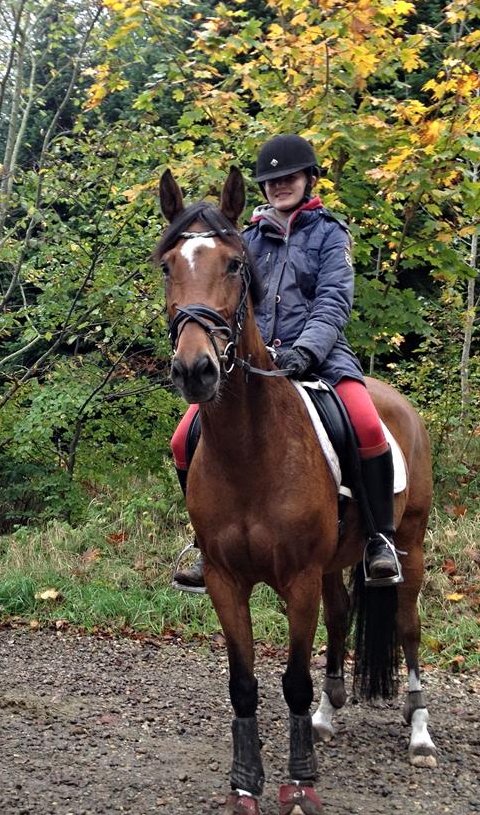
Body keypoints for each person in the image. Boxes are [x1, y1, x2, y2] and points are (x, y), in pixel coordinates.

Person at [170, 133, 402, 591]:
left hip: (321, 356)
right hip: (252, 361)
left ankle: (379, 537)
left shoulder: (329, 233)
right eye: (272, 180)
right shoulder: (243, 239)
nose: (280, 186)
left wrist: (307, 350)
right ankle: (205, 542)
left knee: (368, 426)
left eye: (289, 177)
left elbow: (334, 301)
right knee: (183, 440)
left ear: (309, 179)